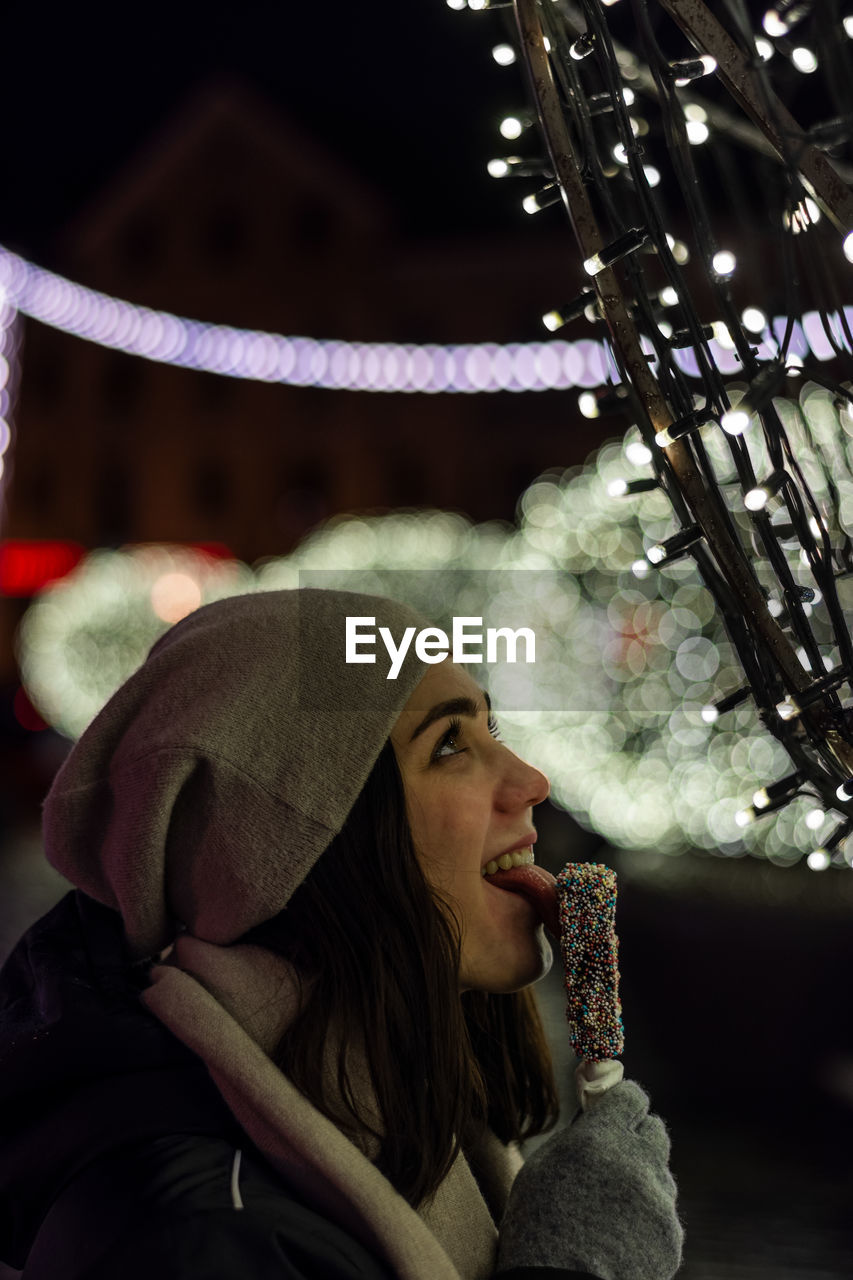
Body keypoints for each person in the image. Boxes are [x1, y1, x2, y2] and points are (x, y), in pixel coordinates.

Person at [0, 588, 683, 1280]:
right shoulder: (201, 1239)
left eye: (492, 733)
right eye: (448, 745)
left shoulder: (415, 1125)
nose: (531, 781)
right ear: (300, 850)